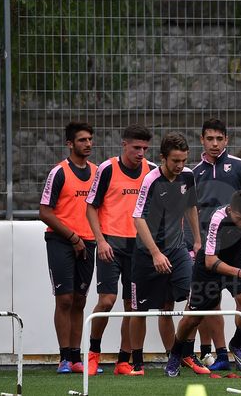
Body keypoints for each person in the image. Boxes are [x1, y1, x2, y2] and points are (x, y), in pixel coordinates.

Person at [188, 118, 241, 372]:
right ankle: (222, 354)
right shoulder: (193, 173)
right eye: (209, 139)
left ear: (227, 140)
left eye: (219, 139)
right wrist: (193, 244)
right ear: (202, 140)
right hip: (207, 251)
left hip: (236, 250)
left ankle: (238, 345)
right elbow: (189, 211)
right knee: (209, 306)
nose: (215, 144)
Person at [165, 190, 241, 377]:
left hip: (237, 261)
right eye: (240, 219)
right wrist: (239, 272)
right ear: (230, 210)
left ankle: (237, 343)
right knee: (193, 318)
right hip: (209, 269)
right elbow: (210, 261)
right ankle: (176, 353)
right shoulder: (217, 220)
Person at [129, 132, 202, 376]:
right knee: (141, 309)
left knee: (197, 297)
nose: (180, 166)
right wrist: (155, 253)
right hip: (147, 252)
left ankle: (181, 354)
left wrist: (198, 241)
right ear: (163, 158)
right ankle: (137, 363)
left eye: (183, 160)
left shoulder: (188, 176)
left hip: (177, 248)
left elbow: (191, 207)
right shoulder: (151, 180)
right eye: (175, 161)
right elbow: (137, 218)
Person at [84, 124, 155, 376]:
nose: (141, 152)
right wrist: (100, 240)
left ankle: (123, 361)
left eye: (146, 148)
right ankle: (93, 353)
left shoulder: (152, 172)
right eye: (136, 147)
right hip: (110, 245)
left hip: (138, 248)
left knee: (133, 306)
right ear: (124, 144)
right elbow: (91, 207)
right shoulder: (107, 168)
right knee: (107, 300)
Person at [39, 121, 97, 374]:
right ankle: (63, 357)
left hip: (90, 242)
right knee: (64, 299)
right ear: (70, 144)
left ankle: (76, 357)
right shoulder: (59, 172)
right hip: (62, 241)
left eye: (90, 140)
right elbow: (44, 212)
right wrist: (73, 237)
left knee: (80, 300)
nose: (88, 144)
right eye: (82, 140)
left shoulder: (97, 172)